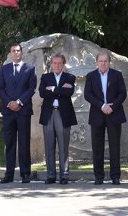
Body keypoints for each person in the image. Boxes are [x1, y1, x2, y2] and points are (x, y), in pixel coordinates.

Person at [83, 50, 127, 185]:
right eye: (101, 61)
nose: (103, 63)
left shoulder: (117, 75)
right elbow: (87, 94)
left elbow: (122, 93)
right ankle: (99, 177)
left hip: (114, 114)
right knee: (97, 147)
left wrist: (111, 107)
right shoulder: (90, 76)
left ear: (109, 62)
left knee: (115, 147)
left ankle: (115, 176)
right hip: (97, 114)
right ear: (97, 62)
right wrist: (102, 106)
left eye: (105, 61)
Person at [0, 43, 37, 183]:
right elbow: (0, 89)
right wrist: (10, 103)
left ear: (22, 53)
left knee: (24, 143)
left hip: (23, 110)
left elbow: (31, 89)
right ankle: (9, 174)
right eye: (13, 51)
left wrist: (19, 102)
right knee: (10, 143)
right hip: (8, 112)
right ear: (10, 52)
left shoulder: (30, 68)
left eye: (18, 51)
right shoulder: (4, 69)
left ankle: (25, 174)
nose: (16, 53)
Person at [39, 53, 77, 185]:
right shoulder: (45, 77)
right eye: (54, 63)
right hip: (49, 114)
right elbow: (42, 93)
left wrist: (53, 89)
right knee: (49, 145)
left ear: (63, 64)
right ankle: (50, 175)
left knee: (63, 146)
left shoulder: (70, 77)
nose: (56, 65)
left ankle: (64, 175)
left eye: (59, 63)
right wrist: (60, 90)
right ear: (51, 64)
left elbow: (69, 92)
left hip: (63, 114)